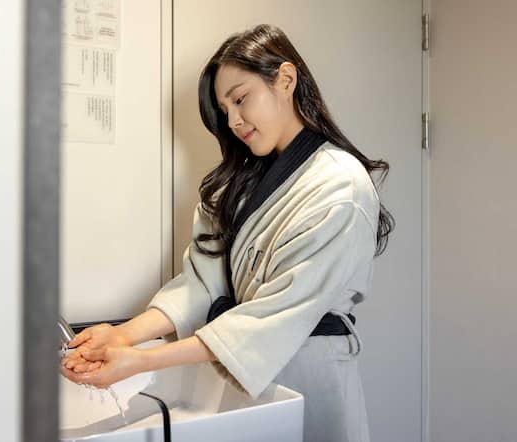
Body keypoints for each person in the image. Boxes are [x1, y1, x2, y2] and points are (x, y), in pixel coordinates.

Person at [61, 23, 394, 442]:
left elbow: (272, 316)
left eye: (240, 99)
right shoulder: (237, 186)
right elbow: (201, 285)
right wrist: (123, 335)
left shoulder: (340, 186)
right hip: (234, 377)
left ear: (285, 79)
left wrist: (141, 361)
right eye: (225, 109)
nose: (233, 121)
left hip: (308, 373)